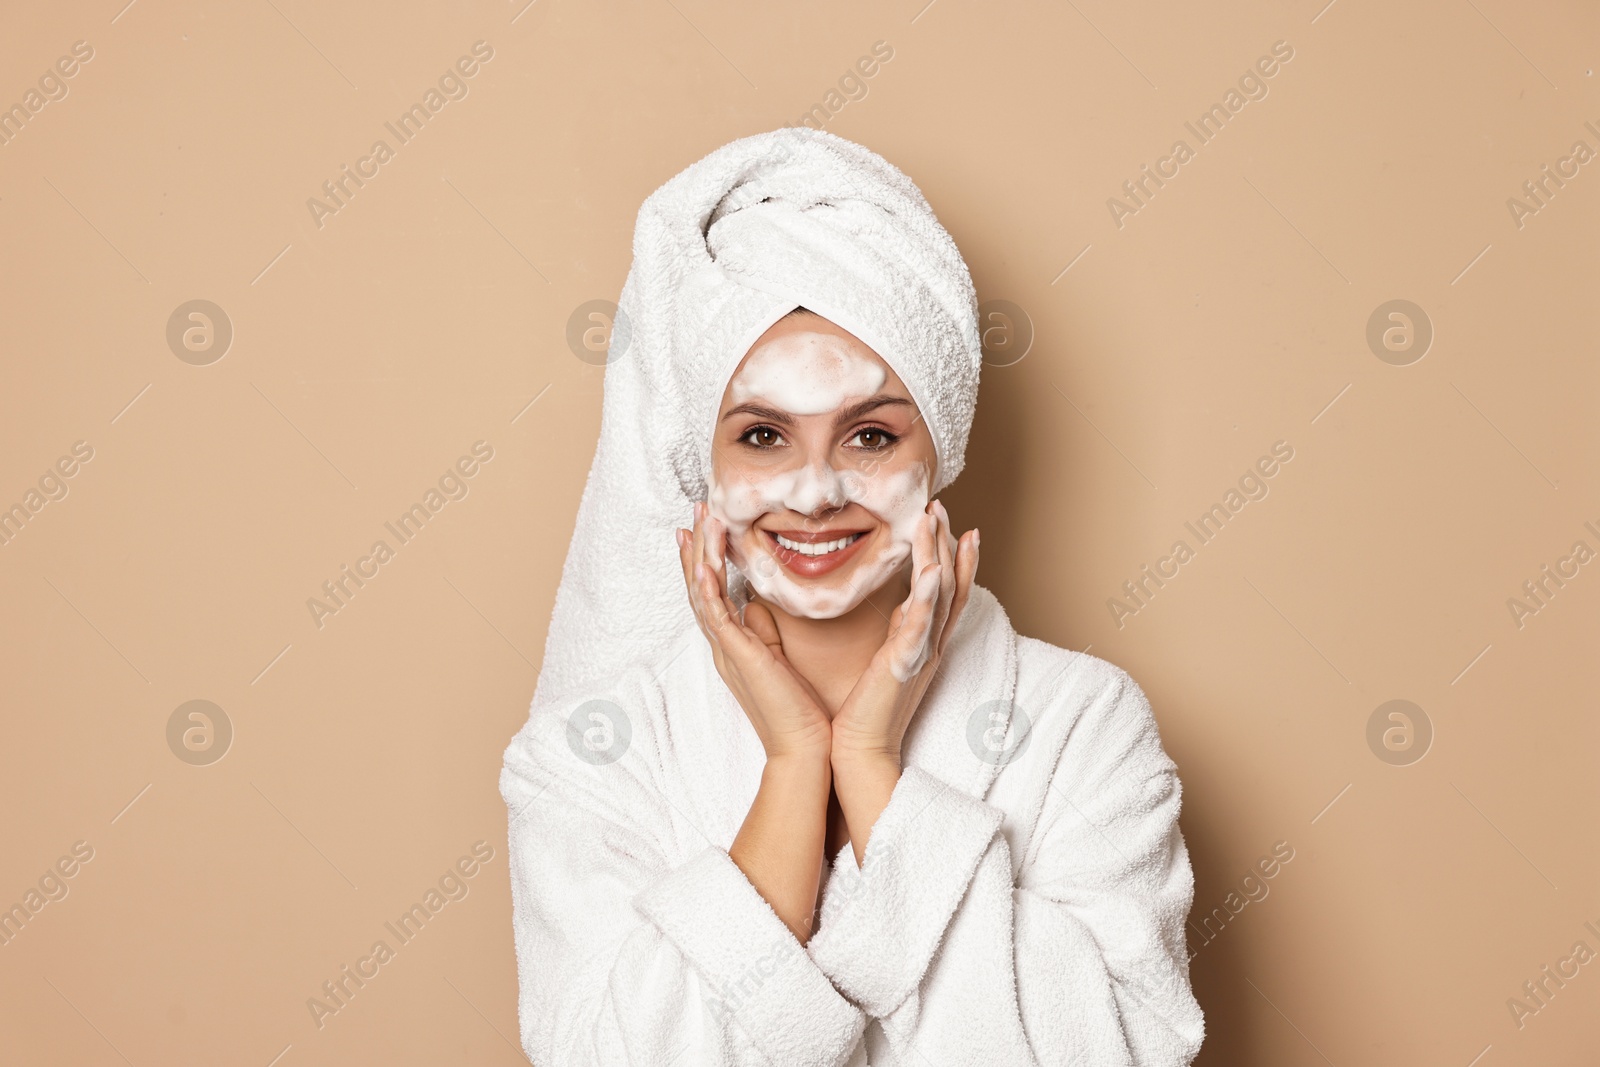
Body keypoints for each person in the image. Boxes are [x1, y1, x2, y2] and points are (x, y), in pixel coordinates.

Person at [500, 126, 1205, 1066]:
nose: (815, 490)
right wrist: (796, 763)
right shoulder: (589, 760)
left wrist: (868, 760)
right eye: (762, 437)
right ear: (698, 467)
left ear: (937, 453)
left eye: (870, 436)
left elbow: (1130, 1049)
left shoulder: (1086, 724)